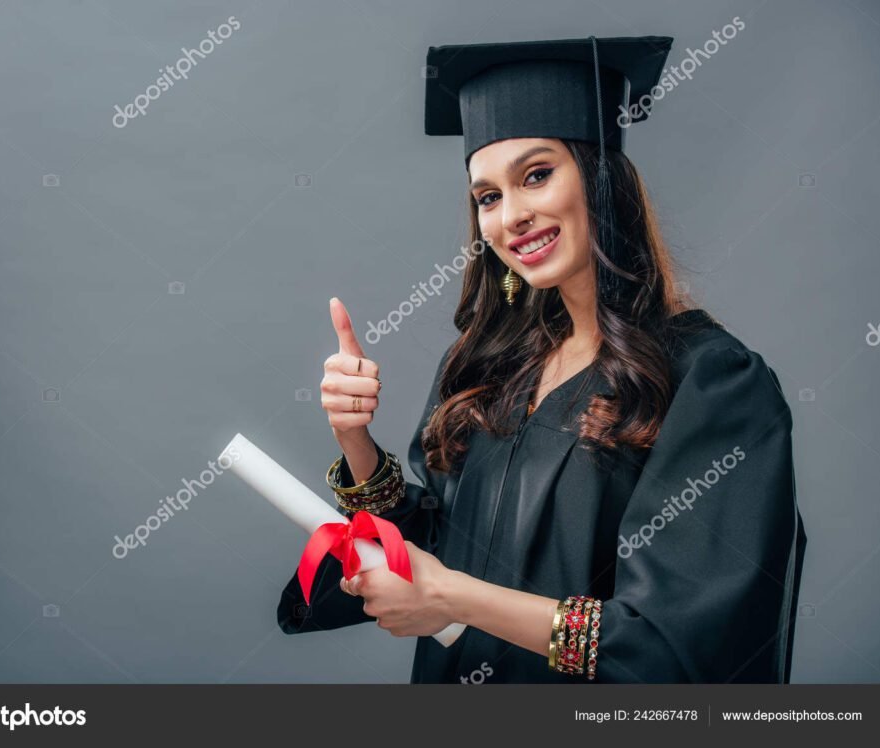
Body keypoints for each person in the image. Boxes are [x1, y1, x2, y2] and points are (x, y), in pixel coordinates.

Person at [277, 36, 806, 683]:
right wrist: (355, 440)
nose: (512, 216)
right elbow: (440, 547)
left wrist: (451, 597)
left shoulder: (709, 382)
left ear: (601, 175)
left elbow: (680, 644)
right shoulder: (487, 367)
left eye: (536, 175)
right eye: (488, 196)